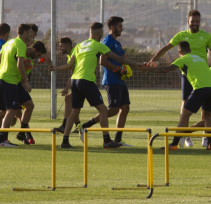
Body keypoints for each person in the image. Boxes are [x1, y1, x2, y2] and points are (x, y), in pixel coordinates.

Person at [49, 22, 143, 149]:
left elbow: (70, 65)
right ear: (99, 33)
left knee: (74, 112)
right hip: (86, 80)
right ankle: (107, 141)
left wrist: (55, 68)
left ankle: (65, 142)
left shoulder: (79, 46)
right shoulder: (98, 45)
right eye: (101, 33)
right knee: (103, 110)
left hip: (75, 81)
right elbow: (118, 58)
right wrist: (136, 64)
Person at [140, 41, 211, 150]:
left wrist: (149, 69)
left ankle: (174, 143)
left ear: (179, 51)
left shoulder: (182, 59)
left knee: (184, 115)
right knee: (207, 116)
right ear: (190, 50)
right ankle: (210, 144)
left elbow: (167, 69)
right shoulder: (199, 58)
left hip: (200, 88)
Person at [147, 10, 211, 116]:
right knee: (185, 101)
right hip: (187, 74)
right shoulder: (181, 35)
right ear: (187, 21)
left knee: (207, 109)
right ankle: (183, 128)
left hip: (202, 75)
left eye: (197, 21)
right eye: (192, 21)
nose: (195, 23)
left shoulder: (206, 36)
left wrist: (210, 68)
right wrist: (154, 59)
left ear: (200, 22)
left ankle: (206, 131)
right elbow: (166, 48)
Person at [79, 16, 131, 145]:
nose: (122, 29)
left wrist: (137, 66)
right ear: (112, 28)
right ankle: (86, 125)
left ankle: (118, 139)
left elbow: (124, 58)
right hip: (112, 80)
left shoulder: (117, 43)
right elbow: (102, 61)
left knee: (125, 108)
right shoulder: (107, 41)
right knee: (113, 110)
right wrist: (118, 69)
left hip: (120, 81)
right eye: (120, 26)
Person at [13, 40, 47, 144]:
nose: (37, 57)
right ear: (34, 49)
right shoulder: (21, 52)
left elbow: (40, 60)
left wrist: (42, 60)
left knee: (27, 107)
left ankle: (24, 134)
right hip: (13, 83)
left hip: (20, 85)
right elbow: (16, 62)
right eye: (38, 54)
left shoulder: (31, 59)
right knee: (11, 117)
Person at [54, 37, 81, 134]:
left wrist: (55, 68)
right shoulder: (70, 55)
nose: (59, 49)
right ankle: (79, 127)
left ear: (67, 46)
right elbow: (72, 73)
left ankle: (65, 126)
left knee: (70, 101)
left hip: (83, 81)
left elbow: (69, 67)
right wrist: (66, 88)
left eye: (61, 46)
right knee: (72, 103)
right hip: (78, 81)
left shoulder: (74, 52)